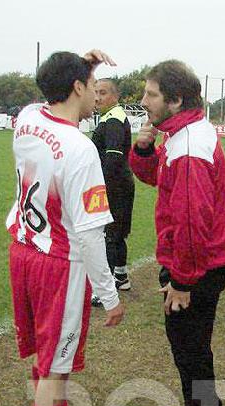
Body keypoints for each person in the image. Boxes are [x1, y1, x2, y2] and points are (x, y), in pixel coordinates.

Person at [6, 49, 125, 406]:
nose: (97, 91)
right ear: (76, 87)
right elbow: (92, 235)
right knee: (57, 364)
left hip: (23, 249)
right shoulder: (80, 150)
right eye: (91, 83)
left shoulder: (27, 118)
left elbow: (51, 93)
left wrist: (82, 65)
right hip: (59, 262)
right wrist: (109, 295)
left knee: (45, 352)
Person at [128, 60, 225, 406]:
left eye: (151, 94)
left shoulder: (189, 144)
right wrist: (143, 148)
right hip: (201, 260)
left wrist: (183, 281)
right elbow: (158, 178)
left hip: (199, 263)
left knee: (188, 346)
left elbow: (192, 221)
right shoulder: (181, 135)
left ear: (176, 100)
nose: (143, 102)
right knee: (194, 344)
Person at [89, 78, 135, 306]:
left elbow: (113, 158)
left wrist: (102, 187)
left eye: (103, 92)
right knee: (117, 232)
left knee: (110, 234)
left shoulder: (114, 119)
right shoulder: (110, 117)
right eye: (95, 92)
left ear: (115, 97)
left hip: (115, 184)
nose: (97, 97)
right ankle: (122, 276)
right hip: (120, 182)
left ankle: (104, 289)